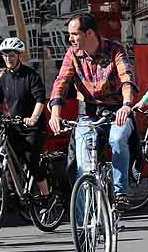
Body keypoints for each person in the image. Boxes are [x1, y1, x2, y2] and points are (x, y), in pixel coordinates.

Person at [48, 13, 137, 203]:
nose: (70, 39)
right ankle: (83, 224)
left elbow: (127, 79)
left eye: (74, 34)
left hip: (116, 111)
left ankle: (120, 192)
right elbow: (61, 83)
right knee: (83, 169)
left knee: (118, 138)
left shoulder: (115, 50)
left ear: (89, 33)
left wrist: (126, 105)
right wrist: (55, 114)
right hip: (88, 113)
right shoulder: (72, 54)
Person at [0, 37, 48, 195]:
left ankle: (46, 196)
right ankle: (14, 195)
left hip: (32, 128)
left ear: (18, 56)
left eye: (11, 55)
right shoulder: (4, 79)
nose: (8, 59)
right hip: (14, 127)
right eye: (5, 55)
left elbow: (40, 99)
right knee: (5, 157)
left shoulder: (31, 76)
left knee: (32, 162)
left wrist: (33, 118)